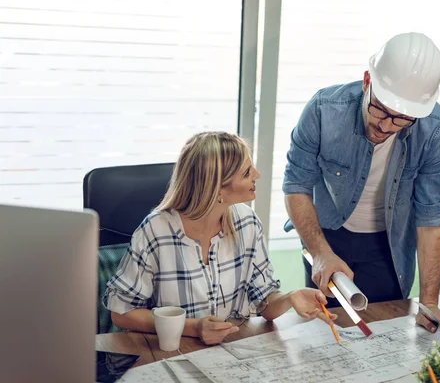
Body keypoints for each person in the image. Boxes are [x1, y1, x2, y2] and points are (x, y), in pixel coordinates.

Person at [282, 32, 440, 335]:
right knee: (323, 330)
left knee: (382, 331)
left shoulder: (435, 132)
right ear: (367, 80)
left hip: (387, 244)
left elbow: (431, 222)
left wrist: (429, 304)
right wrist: (321, 253)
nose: (386, 125)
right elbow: (296, 185)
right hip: (325, 233)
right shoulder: (324, 109)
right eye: (380, 109)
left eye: (402, 119)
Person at [104, 131, 336, 345]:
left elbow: (264, 302)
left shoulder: (248, 222)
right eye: (247, 172)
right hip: (171, 351)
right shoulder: (156, 230)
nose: (257, 174)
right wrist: (193, 328)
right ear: (217, 189)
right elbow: (122, 312)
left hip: (232, 350)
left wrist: (290, 298)